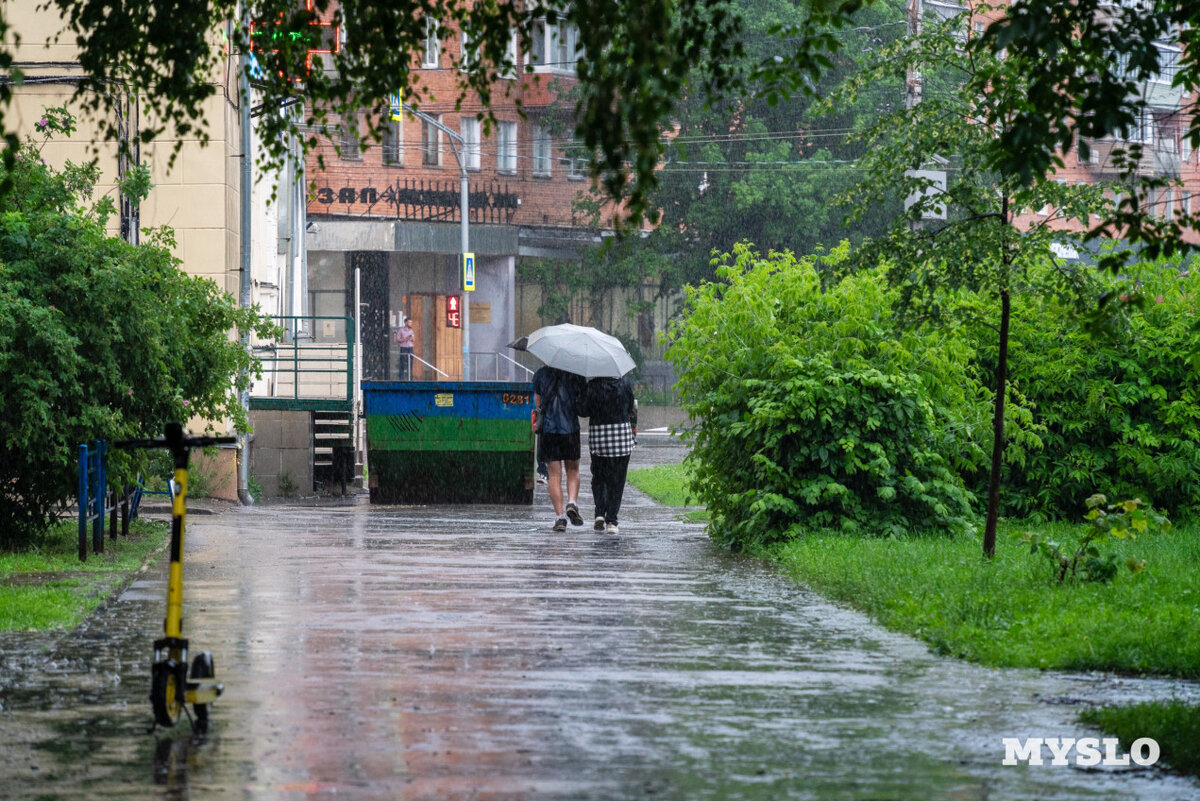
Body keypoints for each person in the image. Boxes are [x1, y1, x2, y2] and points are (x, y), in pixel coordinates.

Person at [576, 375, 637, 534]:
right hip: (621, 437)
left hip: (600, 436)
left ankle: (599, 513)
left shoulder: (593, 385)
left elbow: (583, 410)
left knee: (599, 476)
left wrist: (583, 392)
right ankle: (612, 520)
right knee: (617, 480)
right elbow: (631, 407)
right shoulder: (624, 383)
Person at [532, 365, 586, 531]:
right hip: (570, 429)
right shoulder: (575, 374)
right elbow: (581, 403)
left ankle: (560, 518)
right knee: (573, 470)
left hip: (549, 430)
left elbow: (538, 403)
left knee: (554, 475)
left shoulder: (540, 374)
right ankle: (572, 502)